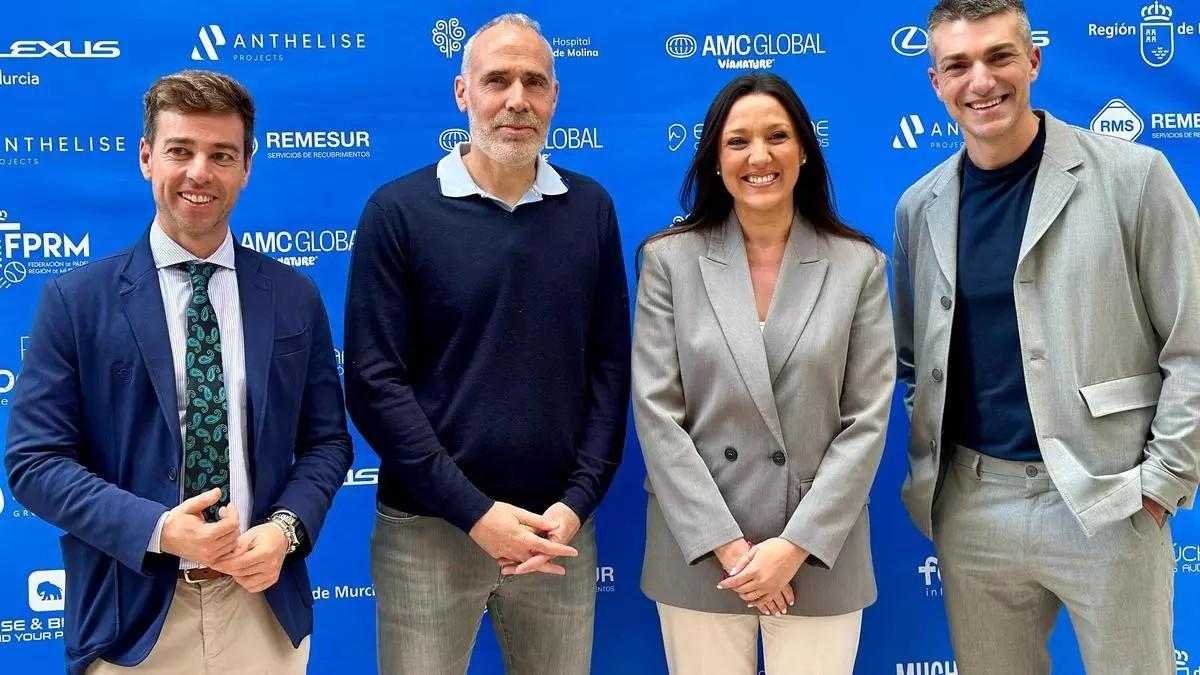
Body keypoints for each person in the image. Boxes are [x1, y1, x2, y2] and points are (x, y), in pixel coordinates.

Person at [4, 70, 353, 674]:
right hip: (131, 620)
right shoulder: (77, 301)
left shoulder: (294, 296)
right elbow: (34, 463)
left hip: (264, 611)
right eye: (180, 151)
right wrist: (161, 529)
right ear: (146, 157)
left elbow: (326, 441)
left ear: (246, 166)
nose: (200, 173)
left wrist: (286, 531)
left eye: (221, 155)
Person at [893, 1, 1200, 672]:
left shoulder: (1135, 177)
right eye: (958, 65)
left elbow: (1193, 345)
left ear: (1033, 61)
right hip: (973, 509)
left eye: (999, 57)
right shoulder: (920, 206)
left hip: (1110, 499)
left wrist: (1161, 480)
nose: (981, 81)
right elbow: (914, 357)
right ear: (935, 82)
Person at [343, 13, 630, 675]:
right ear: (462, 93)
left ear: (555, 97)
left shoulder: (590, 209)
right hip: (428, 532)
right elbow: (374, 382)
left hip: (557, 532)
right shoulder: (399, 212)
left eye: (535, 82)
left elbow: (611, 369)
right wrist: (474, 512)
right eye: (497, 80)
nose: (517, 99)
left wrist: (577, 503)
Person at [632, 72, 895, 675]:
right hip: (700, 554)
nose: (759, 156)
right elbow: (657, 415)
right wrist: (731, 551)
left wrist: (793, 548)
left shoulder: (859, 266)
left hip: (819, 552)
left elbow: (867, 421)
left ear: (804, 149)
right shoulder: (668, 262)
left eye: (777, 136)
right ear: (715, 159)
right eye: (737, 141)